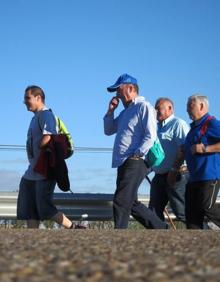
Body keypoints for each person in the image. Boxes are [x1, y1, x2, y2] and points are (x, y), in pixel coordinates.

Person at [103, 73, 168, 229]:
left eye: (118, 89)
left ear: (131, 88)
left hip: (135, 160)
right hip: (123, 161)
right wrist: (110, 111)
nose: (116, 93)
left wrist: (137, 153)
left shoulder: (144, 106)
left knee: (121, 200)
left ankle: (119, 238)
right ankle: (161, 228)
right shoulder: (125, 112)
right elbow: (109, 129)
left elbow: (151, 135)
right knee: (131, 202)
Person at [17, 85, 75, 229]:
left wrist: (40, 147)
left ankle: (73, 228)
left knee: (44, 207)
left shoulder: (46, 115)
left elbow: (49, 136)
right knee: (30, 208)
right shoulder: (34, 118)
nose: (25, 101)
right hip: (33, 170)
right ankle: (33, 240)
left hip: (45, 170)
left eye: (27, 98)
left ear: (38, 98)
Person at [149, 98, 190, 223]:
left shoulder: (178, 124)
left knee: (181, 211)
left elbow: (184, 149)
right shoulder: (156, 127)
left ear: (170, 108)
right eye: (155, 109)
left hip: (176, 175)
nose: (156, 111)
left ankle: (204, 237)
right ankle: (160, 240)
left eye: (158, 108)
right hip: (159, 176)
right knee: (153, 212)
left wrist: (174, 170)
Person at [184, 94, 220, 229]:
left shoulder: (212, 123)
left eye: (190, 106)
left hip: (209, 177)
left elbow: (202, 148)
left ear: (201, 106)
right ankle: (194, 246)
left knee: (207, 207)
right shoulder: (193, 129)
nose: (187, 109)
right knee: (192, 216)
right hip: (193, 179)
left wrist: (206, 148)